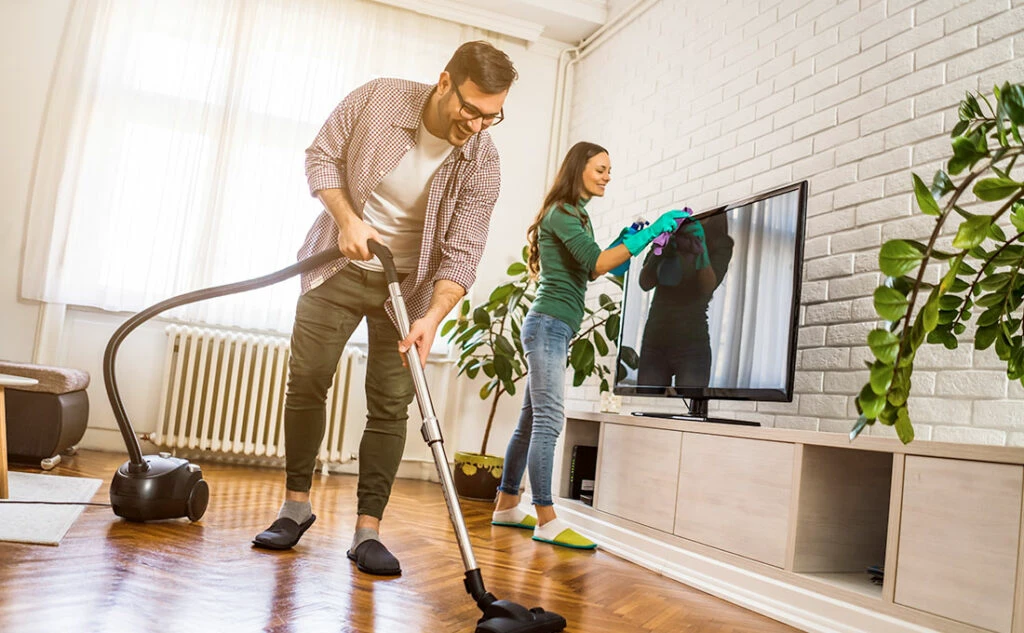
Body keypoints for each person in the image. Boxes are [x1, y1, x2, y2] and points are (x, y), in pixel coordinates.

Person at [253, 41, 518, 577]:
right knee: (307, 380)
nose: (479, 124)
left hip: (411, 290)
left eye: (494, 115)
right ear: (445, 82)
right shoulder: (379, 99)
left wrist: (431, 317)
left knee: (392, 404)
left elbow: (462, 252)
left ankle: (367, 531)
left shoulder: (483, 160)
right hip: (337, 266)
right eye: (471, 108)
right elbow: (321, 155)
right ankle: (295, 507)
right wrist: (348, 219)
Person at [490, 141, 687, 549]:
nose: (607, 177)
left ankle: (507, 506)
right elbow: (598, 263)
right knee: (549, 420)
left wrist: (623, 239)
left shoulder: (577, 216)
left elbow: (591, 269)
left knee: (530, 422)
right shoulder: (561, 213)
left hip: (554, 326)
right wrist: (652, 231)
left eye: (609, 170)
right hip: (548, 325)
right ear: (579, 168)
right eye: (601, 168)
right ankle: (546, 518)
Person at [636, 212, 733, 389]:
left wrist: (701, 251)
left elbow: (707, 288)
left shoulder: (720, 243)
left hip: (692, 343)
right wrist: (660, 250)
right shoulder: (672, 229)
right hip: (655, 340)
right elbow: (645, 283)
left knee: (691, 404)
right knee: (646, 400)